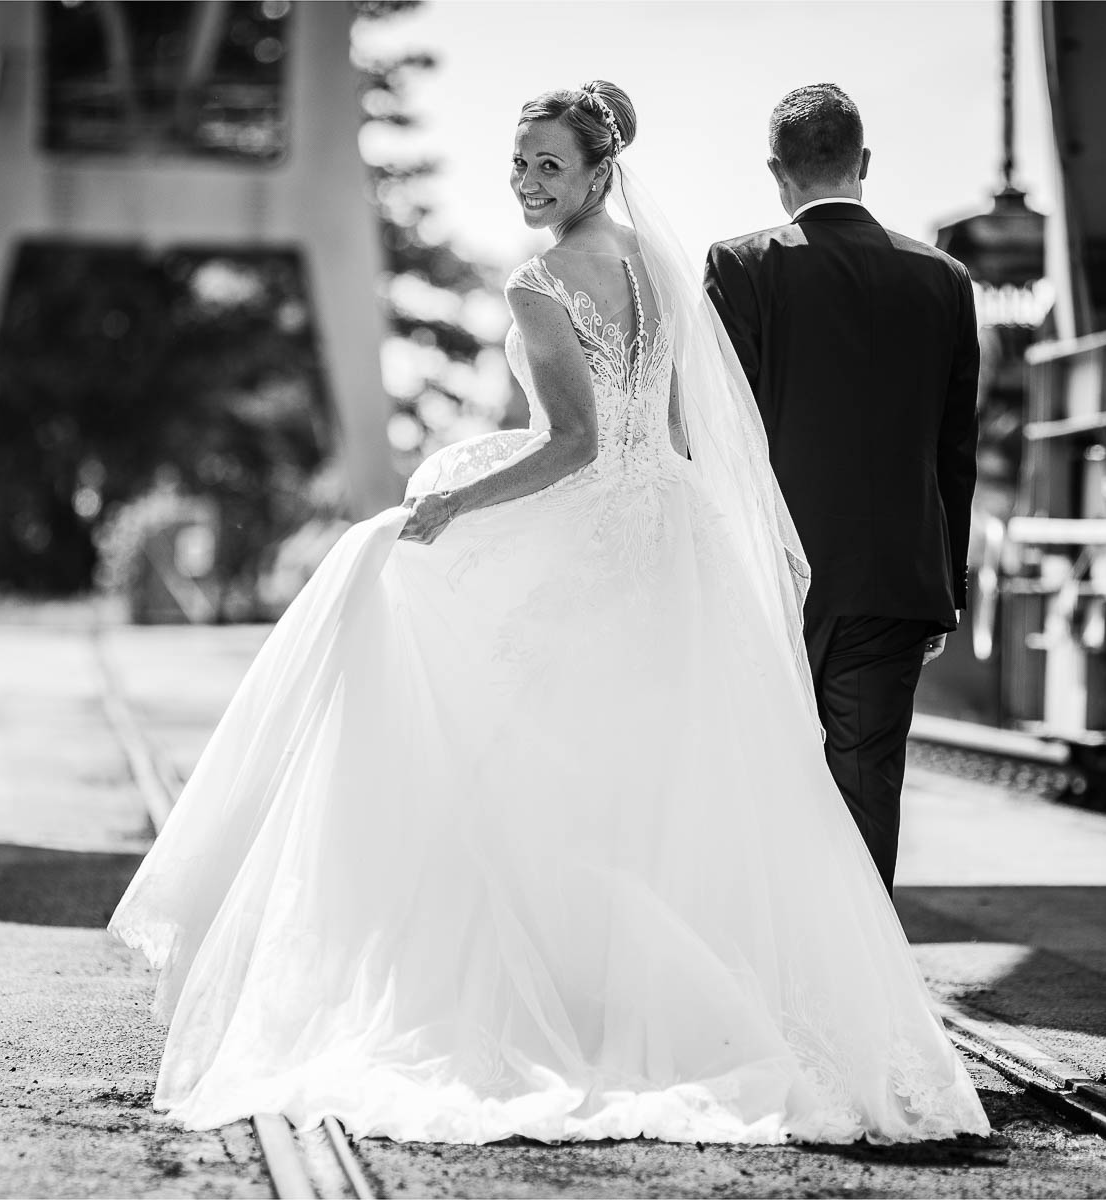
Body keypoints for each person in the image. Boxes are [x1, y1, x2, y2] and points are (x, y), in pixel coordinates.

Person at [109, 81, 988, 1146]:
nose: (527, 183)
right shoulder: (665, 270)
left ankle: (548, 1005)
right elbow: (669, 437)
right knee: (657, 780)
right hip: (669, 536)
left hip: (595, 531)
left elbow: (572, 443)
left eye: (548, 167)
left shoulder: (539, 283)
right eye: (519, 165)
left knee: (451, 667)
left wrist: (452, 503)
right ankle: (681, 1003)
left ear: (598, 169)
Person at [704, 84, 979, 891]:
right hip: (894, 580)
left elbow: (722, 435)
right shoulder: (945, 280)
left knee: (762, 785)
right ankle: (866, 1000)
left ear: (774, 171)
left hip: (772, 576)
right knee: (864, 788)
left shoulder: (740, 265)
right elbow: (952, 449)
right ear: (864, 163)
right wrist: (946, 584)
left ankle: (776, 986)